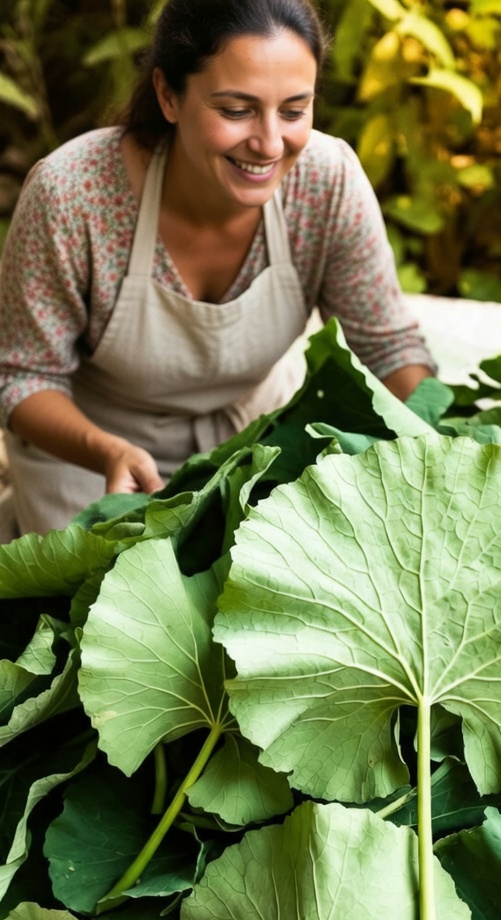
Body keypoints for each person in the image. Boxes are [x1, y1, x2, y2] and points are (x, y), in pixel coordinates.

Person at [0, 0, 435, 536]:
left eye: (295, 110)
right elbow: (23, 378)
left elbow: (389, 349)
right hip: (91, 464)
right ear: (168, 95)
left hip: (255, 446)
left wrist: (438, 454)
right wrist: (106, 450)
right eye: (236, 110)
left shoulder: (326, 180)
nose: (270, 143)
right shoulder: (73, 193)